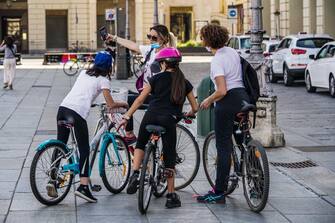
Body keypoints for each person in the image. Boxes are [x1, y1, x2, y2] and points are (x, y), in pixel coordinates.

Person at [118, 48, 198, 208]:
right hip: (169, 120)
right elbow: (195, 107)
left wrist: (127, 116)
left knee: (141, 143)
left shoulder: (155, 79)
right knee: (169, 158)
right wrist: (189, 113)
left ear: (163, 63)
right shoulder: (184, 82)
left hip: (151, 115)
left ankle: (134, 174)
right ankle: (171, 196)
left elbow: (140, 99)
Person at [47, 51, 128, 203]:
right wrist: (123, 104)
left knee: (60, 144)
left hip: (63, 109)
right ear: (109, 66)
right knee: (84, 149)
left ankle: (52, 178)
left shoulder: (84, 73)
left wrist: (90, 101)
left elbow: (83, 92)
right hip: (76, 113)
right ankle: (83, 187)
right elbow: (110, 105)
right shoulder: (104, 80)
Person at [196, 24, 250, 204]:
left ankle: (218, 192)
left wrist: (208, 100)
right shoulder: (233, 52)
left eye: (202, 37)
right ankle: (255, 180)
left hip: (227, 103)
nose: (201, 40)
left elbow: (222, 90)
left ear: (209, 40)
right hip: (243, 99)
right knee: (244, 142)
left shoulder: (217, 60)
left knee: (223, 147)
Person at [106, 24, 177, 144]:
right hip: (147, 91)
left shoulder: (168, 54)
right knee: (125, 94)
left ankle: (129, 135)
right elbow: (132, 45)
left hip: (157, 96)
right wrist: (114, 38)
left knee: (127, 101)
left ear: (164, 38)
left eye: (154, 38)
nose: (151, 40)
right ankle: (131, 135)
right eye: (149, 36)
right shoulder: (151, 50)